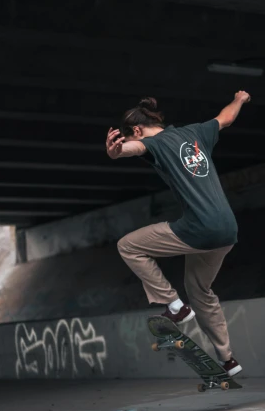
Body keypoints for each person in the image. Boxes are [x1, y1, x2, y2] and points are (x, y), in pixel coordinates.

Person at [106, 91, 251, 377]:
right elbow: (226, 118)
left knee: (128, 246)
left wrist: (116, 152)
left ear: (136, 130)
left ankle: (174, 305)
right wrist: (240, 99)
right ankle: (227, 359)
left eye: (133, 137)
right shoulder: (196, 132)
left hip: (198, 229)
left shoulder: (152, 143)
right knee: (200, 291)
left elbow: (133, 150)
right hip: (227, 231)